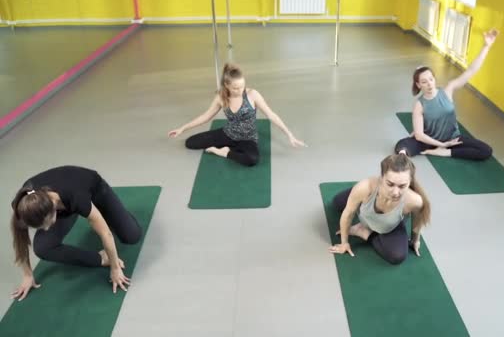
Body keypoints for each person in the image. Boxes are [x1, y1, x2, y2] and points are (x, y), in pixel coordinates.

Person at [10, 166, 140, 301]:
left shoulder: (76, 195)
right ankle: (101, 257)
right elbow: (19, 239)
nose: (47, 229)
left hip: (94, 190)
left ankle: (109, 214)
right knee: (43, 247)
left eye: (47, 224)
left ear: (53, 208)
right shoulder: (24, 205)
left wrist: (115, 268)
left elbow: (106, 234)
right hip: (65, 205)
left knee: (131, 235)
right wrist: (27, 275)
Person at [168, 63, 306, 166]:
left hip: (248, 138)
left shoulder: (252, 94)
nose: (241, 90)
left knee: (252, 160)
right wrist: (182, 128)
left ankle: (224, 152)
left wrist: (290, 135)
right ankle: (229, 147)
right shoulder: (221, 97)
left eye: (242, 86)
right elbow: (206, 116)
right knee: (190, 143)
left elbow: (272, 115)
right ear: (227, 85)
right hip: (228, 134)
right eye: (236, 88)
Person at [394, 29, 499, 160]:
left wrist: (486, 46)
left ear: (434, 78)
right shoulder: (419, 105)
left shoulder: (448, 90)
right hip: (430, 141)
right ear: (418, 85)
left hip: (453, 140)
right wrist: (441, 144)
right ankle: (438, 150)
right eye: (424, 82)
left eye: (431, 79)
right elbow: (420, 135)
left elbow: (471, 71)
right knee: (401, 145)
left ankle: (446, 153)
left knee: (486, 151)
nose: (429, 84)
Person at [329, 154, 430, 265]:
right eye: (390, 184)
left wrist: (416, 240)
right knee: (337, 203)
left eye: (402, 186)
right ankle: (356, 197)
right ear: (381, 178)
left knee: (397, 256)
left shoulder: (415, 201)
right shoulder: (364, 187)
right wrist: (344, 243)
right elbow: (348, 213)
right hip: (366, 196)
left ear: (410, 182)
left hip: (389, 225)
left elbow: (418, 220)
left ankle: (363, 231)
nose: (395, 192)